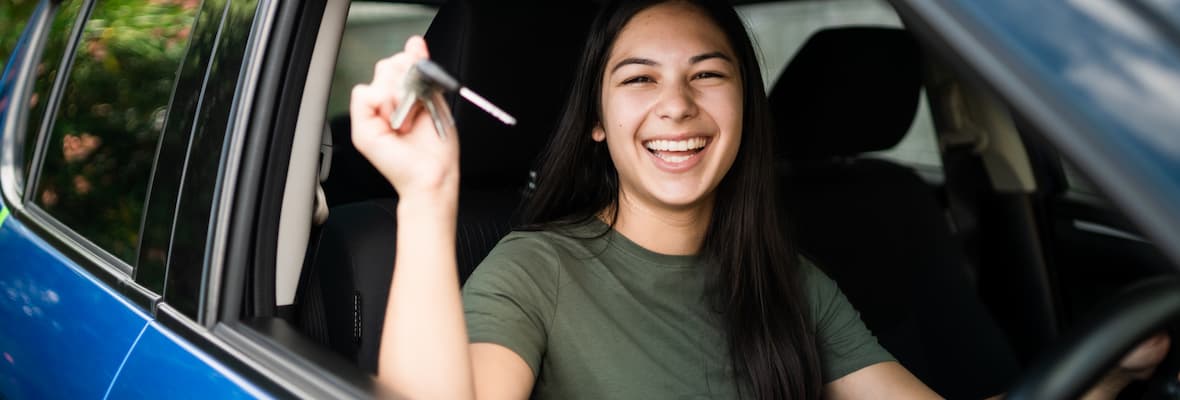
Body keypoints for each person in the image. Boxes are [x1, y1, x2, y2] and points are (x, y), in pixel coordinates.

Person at [348, 0, 1171, 398]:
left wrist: (1099, 376)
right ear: (596, 123)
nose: (677, 105)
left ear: (747, 109)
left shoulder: (787, 281)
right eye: (639, 80)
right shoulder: (537, 271)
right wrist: (426, 197)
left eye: (708, 75)